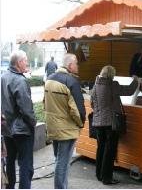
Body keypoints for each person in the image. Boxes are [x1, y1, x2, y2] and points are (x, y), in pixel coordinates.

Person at [91, 66, 139, 185]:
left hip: (98, 122)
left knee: (101, 148)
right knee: (110, 151)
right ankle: (107, 177)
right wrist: (136, 81)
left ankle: (99, 174)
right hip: (111, 123)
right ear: (112, 75)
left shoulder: (96, 85)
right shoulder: (113, 85)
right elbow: (129, 91)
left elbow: (92, 103)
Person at [44, 53, 86, 189]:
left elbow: (45, 104)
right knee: (63, 163)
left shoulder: (49, 79)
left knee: (58, 160)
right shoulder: (71, 82)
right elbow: (78, 111)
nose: (78, 66)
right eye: (77, 64)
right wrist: (81, 124)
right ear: (70, 65)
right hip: (67, 130)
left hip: (53, 127)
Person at [1, 50, 37, 189]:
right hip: (21, 130)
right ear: (19, 62)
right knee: (25, 165)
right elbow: (26, 108)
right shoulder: (20, 80)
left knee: (10, 162)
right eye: (26, 60)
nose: (27, 62)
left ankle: (9, 188)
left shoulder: (3, 78)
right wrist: (32, 123)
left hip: (7, 129)